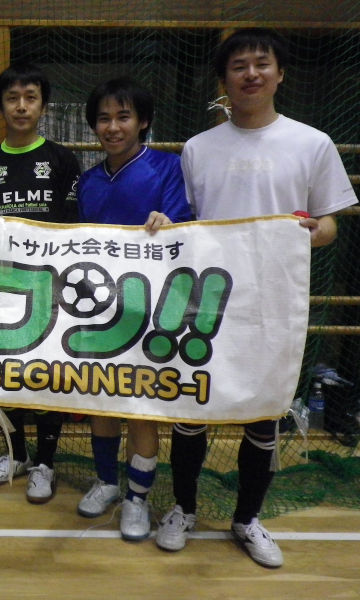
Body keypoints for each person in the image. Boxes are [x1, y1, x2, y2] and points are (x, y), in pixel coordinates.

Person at [155, 28, 357, 568]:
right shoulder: (198, 148)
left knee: (263, 415)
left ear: (280, 73)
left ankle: (247, 518)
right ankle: (183, 508)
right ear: (223, 79)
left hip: (273, 302)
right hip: (206, 302)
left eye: (261, 64)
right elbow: (186, 222)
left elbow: (330, 224)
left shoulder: (312, 143)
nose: (251, 74)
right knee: (192, 408)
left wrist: (313, 232)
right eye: (239, 66)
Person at [75, 77, 192, 541]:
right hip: (98, 310)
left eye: (123, 117)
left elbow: (187, 230)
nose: (113, 126)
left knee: (142, 407)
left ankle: (137, 499)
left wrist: (169, 223)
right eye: (104, 118)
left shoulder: (168, 167)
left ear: (142, 121)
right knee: (101, 400)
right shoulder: (87, 181)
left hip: (152, 313)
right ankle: (107, 481)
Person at [0, 62, 81, 504]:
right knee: (4, 376)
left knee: (47, 377)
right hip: (2, 290)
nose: (21, 106)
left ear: (43, 105)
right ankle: (17, 454)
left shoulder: (62, 160)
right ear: (0, 106)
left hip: (50, 291)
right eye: (12, 98)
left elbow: (74, 226)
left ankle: (46, 463)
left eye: (30, 97)